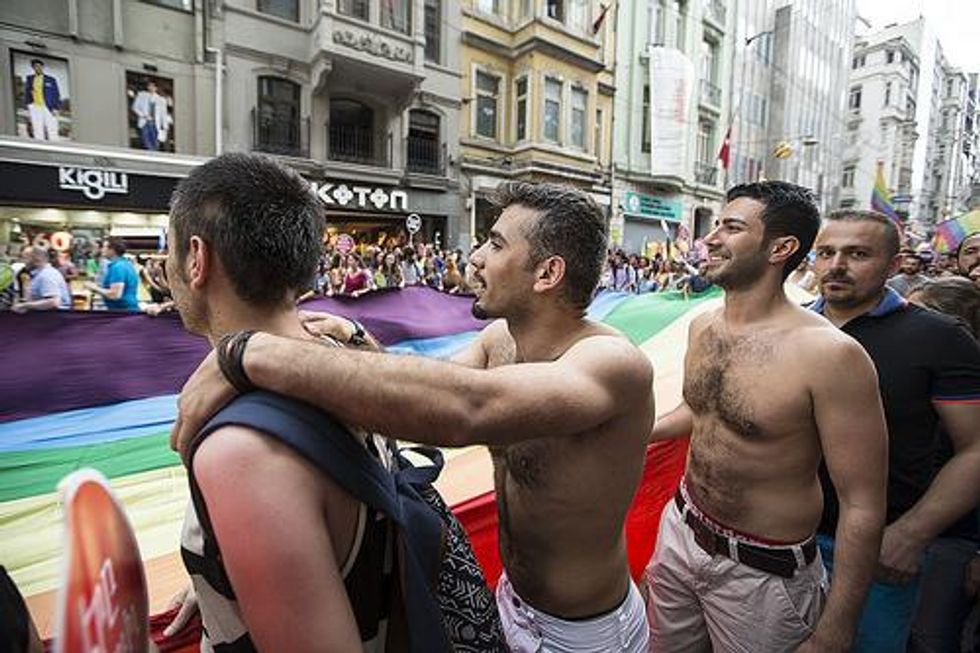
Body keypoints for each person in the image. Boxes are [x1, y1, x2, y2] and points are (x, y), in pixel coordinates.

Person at [171, 181, 656, 652]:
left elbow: (469, 409)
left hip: (584, 634)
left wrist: (246, 352)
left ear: (547, 274)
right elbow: (415, 396)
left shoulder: (613, 364)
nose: (475, 258)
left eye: (494, 243)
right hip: (513, 603)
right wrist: (237, 563)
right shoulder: (499, 342)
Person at [164, 153, 400, 651]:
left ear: (195, 259)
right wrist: (222, 585)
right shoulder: (347, 362)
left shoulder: (242, 454)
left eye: (167, 250)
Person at [646, 181, 889, 653]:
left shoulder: (831, 354)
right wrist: (628, 432)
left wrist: (834, 632)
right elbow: (698, 413)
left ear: (781, 248)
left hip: (762, 576)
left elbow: (862, 504)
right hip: (680, 534)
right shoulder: (703, 325)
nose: (711, 238)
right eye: (717, 224)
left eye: (732, 228)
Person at [810, 210, 980, 652]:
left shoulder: (939, 338)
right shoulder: (788, 326)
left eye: (858, 254)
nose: (837, 265)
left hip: (875, 554)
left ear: (892, 265)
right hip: (776, 547)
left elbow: (976, 448)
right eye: (826, 253)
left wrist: (911, 533)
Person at [904, 277, 980, 652]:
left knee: (929, 639)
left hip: (953, 542)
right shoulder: (911, 374)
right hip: (899, 533)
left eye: (918, 315)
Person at [12, 246, 71, 313]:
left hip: (53, 319)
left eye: (25, 258)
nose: (22, 262)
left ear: (37, 260)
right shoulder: (35, 275)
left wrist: (25, 305)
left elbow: (53, 302)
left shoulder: (47, 275)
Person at [85, 238, 139, 311]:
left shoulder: (118, 267)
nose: (102, 250)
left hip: (123, 312)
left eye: (104, 247)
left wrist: (93, 287)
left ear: (112, 250)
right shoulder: (125, 264)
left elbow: (115, 295)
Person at [23, 58, 61, 141]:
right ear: (33, 68)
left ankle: (54, 147)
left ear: (42, 67)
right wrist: (28, 106)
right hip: (35, 106)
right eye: (35, 66)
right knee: (37, 129)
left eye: (39, 66)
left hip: (48, 106)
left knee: (52, 128)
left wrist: (56, 107)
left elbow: (56, 94)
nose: (37, 68)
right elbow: (27, 92)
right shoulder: (30, 79)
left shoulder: (51, 80)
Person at [131, 79, 166, 151]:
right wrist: (143, 115)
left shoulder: (161, 99)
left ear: (156, 88)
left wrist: (164, 126)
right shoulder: (141, 95)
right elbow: (135, 107)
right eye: (150, 86)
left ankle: (154, 155)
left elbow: (163, 114)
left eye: (153, 86)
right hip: (145, 121)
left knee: (155, 142)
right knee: (146, 141)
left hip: (155, 123)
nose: (151, 87)